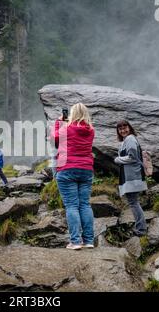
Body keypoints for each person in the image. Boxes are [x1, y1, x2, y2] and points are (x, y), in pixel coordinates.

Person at [52, 103, 95, 250]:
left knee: (72, 206)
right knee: (84, 204)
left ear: (72, 113)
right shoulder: (91, 130)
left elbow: (55, 140)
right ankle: (89, 240)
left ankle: (75, 241)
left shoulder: (66, 128)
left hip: (67, 168)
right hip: (86, 169)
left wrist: (58, 123)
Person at [114, 120, 148, 237]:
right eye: (120, 129)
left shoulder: (130, 139)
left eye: (125, 127)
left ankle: (141, 229)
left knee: (133, 202)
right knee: (134, 202)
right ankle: (141, 227)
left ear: (130, 128)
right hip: (131, 176)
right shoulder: (127, 140)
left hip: (132, 177)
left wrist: (118, 159)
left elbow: (133, 157)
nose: (123, 130)